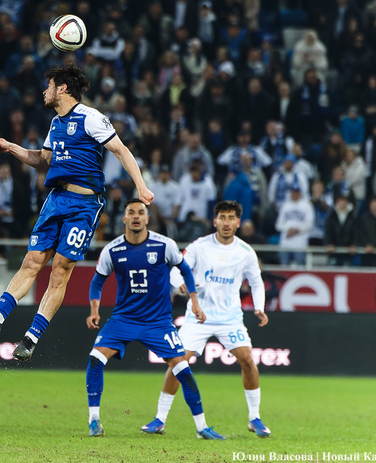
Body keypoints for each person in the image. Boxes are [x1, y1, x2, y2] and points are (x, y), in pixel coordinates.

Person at [0, 63, 153, 362]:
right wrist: (11, 147)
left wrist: (141, 187)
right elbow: (44, 161)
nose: (44, 91)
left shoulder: (91, 117)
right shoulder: (55, 123)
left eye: (49, 85)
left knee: (60, 269)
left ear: (62, 88)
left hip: (84, 206)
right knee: (32, 260)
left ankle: (31, 338)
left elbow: (121, 150)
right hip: (56, 200)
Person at [84, 199, 223, 439]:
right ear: (124, 219)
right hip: (124, 319)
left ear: (147, 218)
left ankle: (202, 428)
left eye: (141, 212)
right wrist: (94, 310)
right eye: (131, 212)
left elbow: (185, 270)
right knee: (95, 358)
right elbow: (97, 282)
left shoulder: (164, 245)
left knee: (182, 368)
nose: (136, 216)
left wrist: (194, 301)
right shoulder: (112, 250)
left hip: (158, 322)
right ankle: (93, 421)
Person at [163, 201, 271, 437]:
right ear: (215, 221)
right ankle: (159, 419)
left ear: (238, 223)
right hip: (198, 316)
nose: (226, 222)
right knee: (178, 362)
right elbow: (174, 270)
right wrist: (180, 284)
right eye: (222, 217)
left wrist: (259, 307)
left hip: (229, 319)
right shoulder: (199, 246)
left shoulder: (245, 252)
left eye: (231, 218)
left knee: (247, 360)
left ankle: (255, 418)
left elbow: (256, 282)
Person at [275, 186, 314, 266]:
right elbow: (278, 225)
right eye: (292, 192)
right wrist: (289, 229)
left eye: (296, 192)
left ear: (299, 193)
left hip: (300, 244)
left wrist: (297, 230)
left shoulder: (307, 206)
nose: (294, 194)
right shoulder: (285, 206)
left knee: (301, 268)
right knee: (284, 268)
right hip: (285, 244)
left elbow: (310, 224)